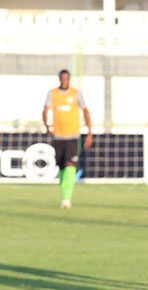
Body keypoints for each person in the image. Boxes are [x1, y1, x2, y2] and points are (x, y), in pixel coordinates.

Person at [42, 69, 92, 208]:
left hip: (73, 136)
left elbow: (86, 111)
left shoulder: (75, 94)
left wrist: (89, 133)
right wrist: (47, 125)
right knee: (62, 167)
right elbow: (45, 110)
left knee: (71, 165)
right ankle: (65, 193)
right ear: (59, 79)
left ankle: (67, 198)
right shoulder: (52, 93)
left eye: (67, 79)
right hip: (58, 137)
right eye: (62, 79)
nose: (65, 81)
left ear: (69, 79)